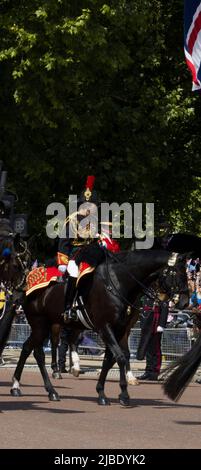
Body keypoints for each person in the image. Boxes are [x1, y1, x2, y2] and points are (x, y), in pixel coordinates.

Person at [57, 176, 120, 322]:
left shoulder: (97, 219)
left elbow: (102, 236)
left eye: (91, 206)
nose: (88, 208)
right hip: (75, 254)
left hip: (94, 252)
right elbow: (64, 241)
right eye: (86, 206)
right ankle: (68, 307)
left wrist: (103, 241)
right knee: (73, 272)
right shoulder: (73, 219)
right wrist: (63, 261)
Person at [137, 293, 169, 381]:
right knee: (147, 349)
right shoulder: (147, 293)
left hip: (156, 324)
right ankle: (148, 371)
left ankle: (154, 372)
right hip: (147, 323)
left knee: (155, 349)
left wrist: (161, 324)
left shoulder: (161, 294)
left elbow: (165, 309)